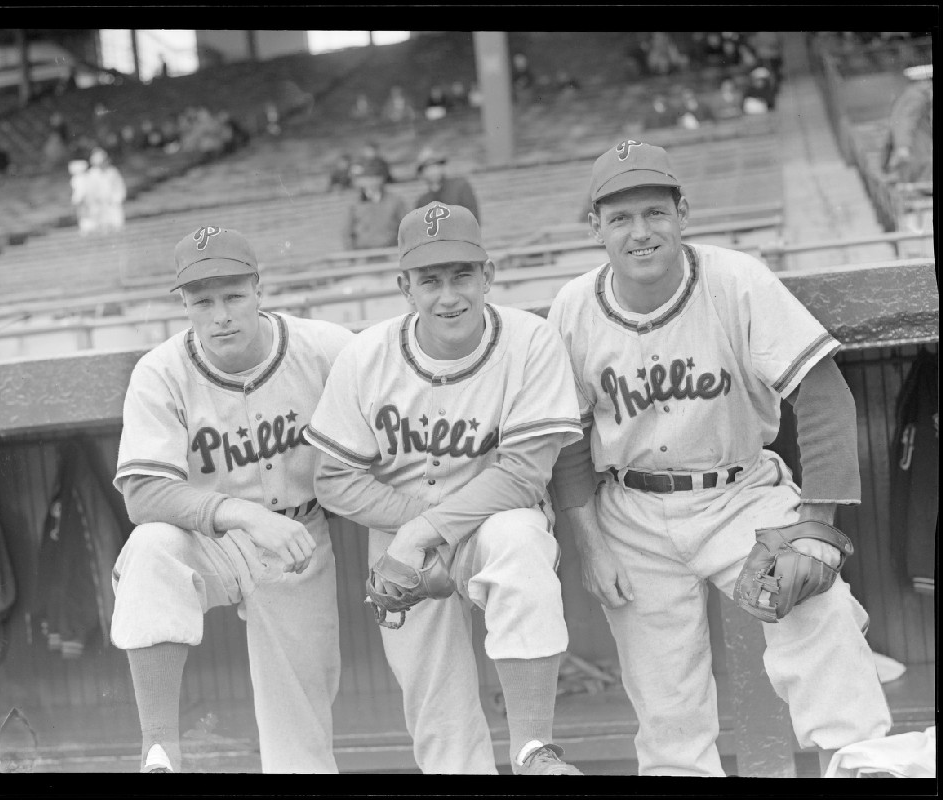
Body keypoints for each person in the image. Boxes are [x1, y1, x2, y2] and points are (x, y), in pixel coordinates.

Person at [546, 140, 893, 777]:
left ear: (684, 213)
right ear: (594, 226)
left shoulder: (737, 280)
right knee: (666, 709)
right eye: (619, 218)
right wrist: (591, 545)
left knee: (822, 609)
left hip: (741, 494)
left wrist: (815, 527)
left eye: (654, 212)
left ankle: (860, 762)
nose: (640, 231)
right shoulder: (573, 307)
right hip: (631, 510)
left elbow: (822, 394)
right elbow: (569, 439)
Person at [307, 202, 585, 775]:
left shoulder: (531, 340)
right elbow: (333, 479)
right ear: (404, 287)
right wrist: (416, 526)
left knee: (520, 544)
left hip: (493, 519)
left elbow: (527, 470)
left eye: (462, 275)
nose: (448, 295)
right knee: (436, 710)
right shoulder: (367, 355)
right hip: (401, 538)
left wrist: (423, 530)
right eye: (430, 280)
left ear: (489, 274)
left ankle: (535, 751)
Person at [109, 225, 354, 773]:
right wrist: (240, 514)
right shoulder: (161, 371)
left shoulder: (326, 347)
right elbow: (143, 492)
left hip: (297, 540)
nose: (220, 314)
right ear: (185, 306)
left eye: (233, 296)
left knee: (301, 735)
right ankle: (158, 750)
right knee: (151, 548)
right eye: (203, 301)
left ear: (259, 290)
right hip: (211, 541)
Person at [883, 64, 933, 185]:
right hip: (917, 149)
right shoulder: (917, 97)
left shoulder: (911, 95)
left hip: (915, 149)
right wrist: (903, 147)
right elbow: (905, 122)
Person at [341, 160, 406, 250]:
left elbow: (406, 228)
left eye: (374, 177)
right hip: (363, 254)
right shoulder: (354, 204)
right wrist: (351, 256)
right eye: (366, 178)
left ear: (381, 179)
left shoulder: (395, 201)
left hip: (391, 252)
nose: (370, 181)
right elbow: (347, 232)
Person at [413, 148, 481, 224]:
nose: (433, 171)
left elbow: (473, 219)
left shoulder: (461, 187)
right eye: (427, 168)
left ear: (442, 167)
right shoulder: (422, 202)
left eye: (435, 165)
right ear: (421, 174)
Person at [82, 149, 127, 234]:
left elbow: (119, 186)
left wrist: (117, 198)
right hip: (98, 203)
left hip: (112, 202)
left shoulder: (112, 171)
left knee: (116, 222)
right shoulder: (92, 174)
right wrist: (94, 200)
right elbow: (90, 190)